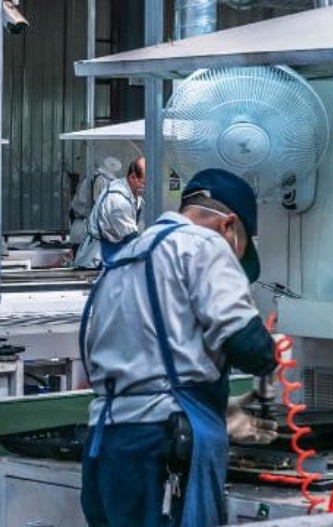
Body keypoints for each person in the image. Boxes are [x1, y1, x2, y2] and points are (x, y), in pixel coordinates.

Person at [79, 168, 279, 527]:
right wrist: (272, 354)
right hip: (160, 446)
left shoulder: (126, 257)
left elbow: (145, 357)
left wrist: (217, 408)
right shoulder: (204, 245)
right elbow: (248, 344)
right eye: (239, 255)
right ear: (228, 226)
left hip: (105, 445)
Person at [73, 156, 146, 269]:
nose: (145, 188)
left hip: (112, 257)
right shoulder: (117, 199)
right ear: (133, 177)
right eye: (144, 183)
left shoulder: (130, 190)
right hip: (97, 262)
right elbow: (131, 238)